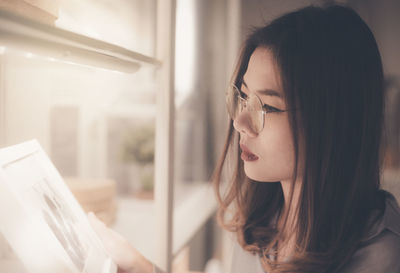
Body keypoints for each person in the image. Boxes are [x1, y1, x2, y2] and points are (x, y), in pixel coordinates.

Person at [89, 4, 400, 273]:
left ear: (333, 121)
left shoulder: (381, 256)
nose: (240, 122)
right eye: (243, 97)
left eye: (267, 106)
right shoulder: (259, 216)